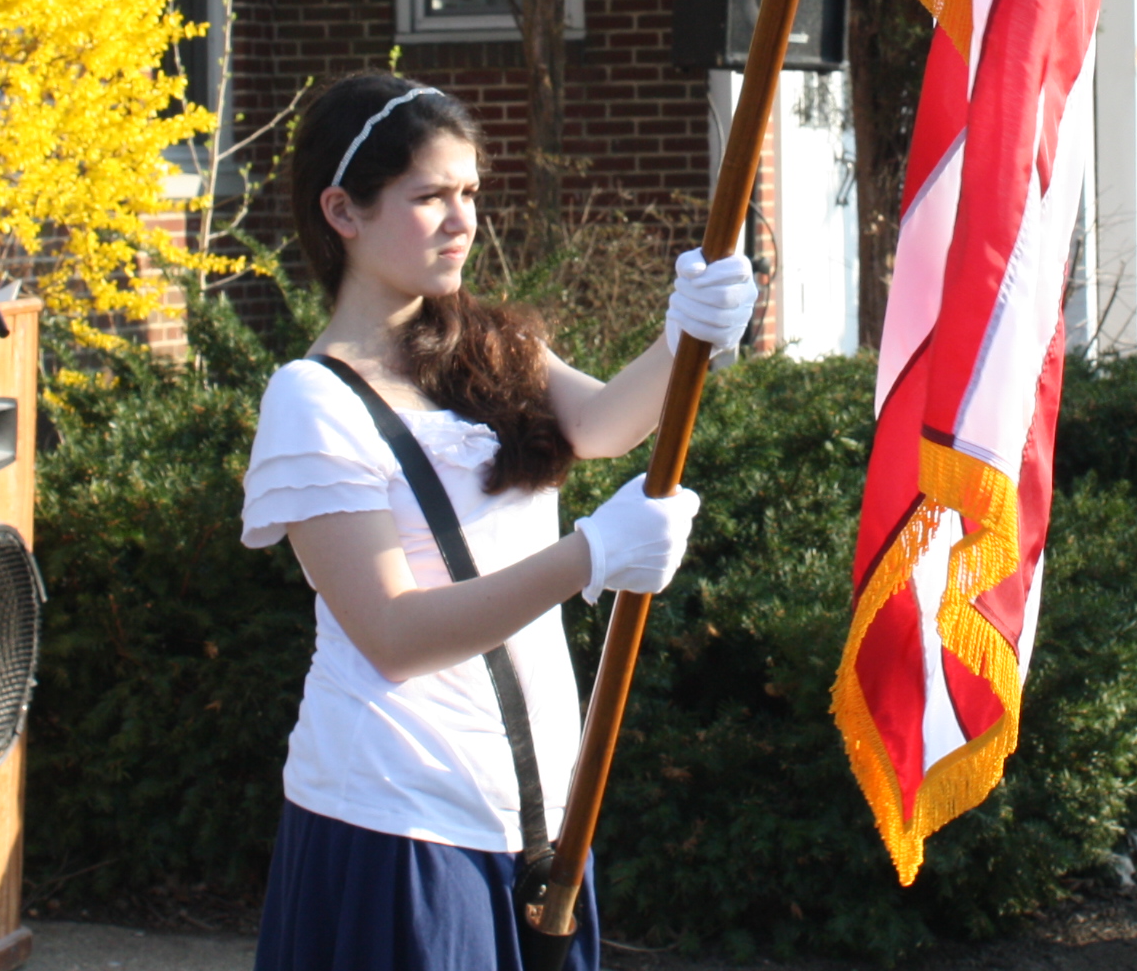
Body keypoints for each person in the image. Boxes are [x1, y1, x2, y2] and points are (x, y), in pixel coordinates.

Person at [239, 73, 758, 971]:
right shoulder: (311, 402)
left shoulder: (487, 343)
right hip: (397, 824)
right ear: (344, 211)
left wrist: (685, 339)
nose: (462, 219)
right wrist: (589, 556)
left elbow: (600, 424)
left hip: (540, 816)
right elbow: (394, 635)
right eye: (430, 196)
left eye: (471, 192)